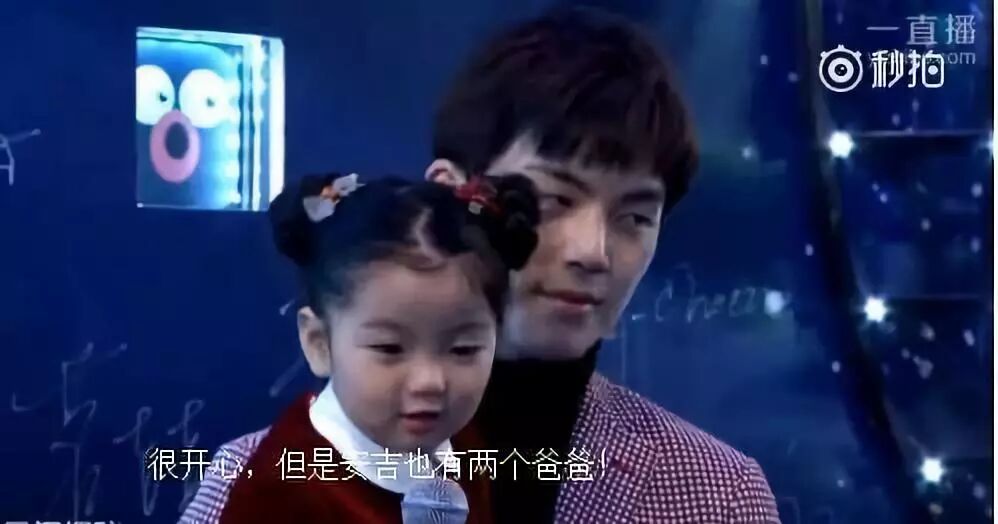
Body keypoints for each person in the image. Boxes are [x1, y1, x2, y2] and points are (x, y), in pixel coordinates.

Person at [423, 6, 781, 523]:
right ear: (449, 197)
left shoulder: (715, 496)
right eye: (553, 200)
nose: (593, 252)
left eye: (634, 217)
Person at [181, 172, 540, 523]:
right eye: (389, 348)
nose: (430, 381)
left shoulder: (462, 444)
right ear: (319, 343)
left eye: (464, 349)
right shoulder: (283, 488)